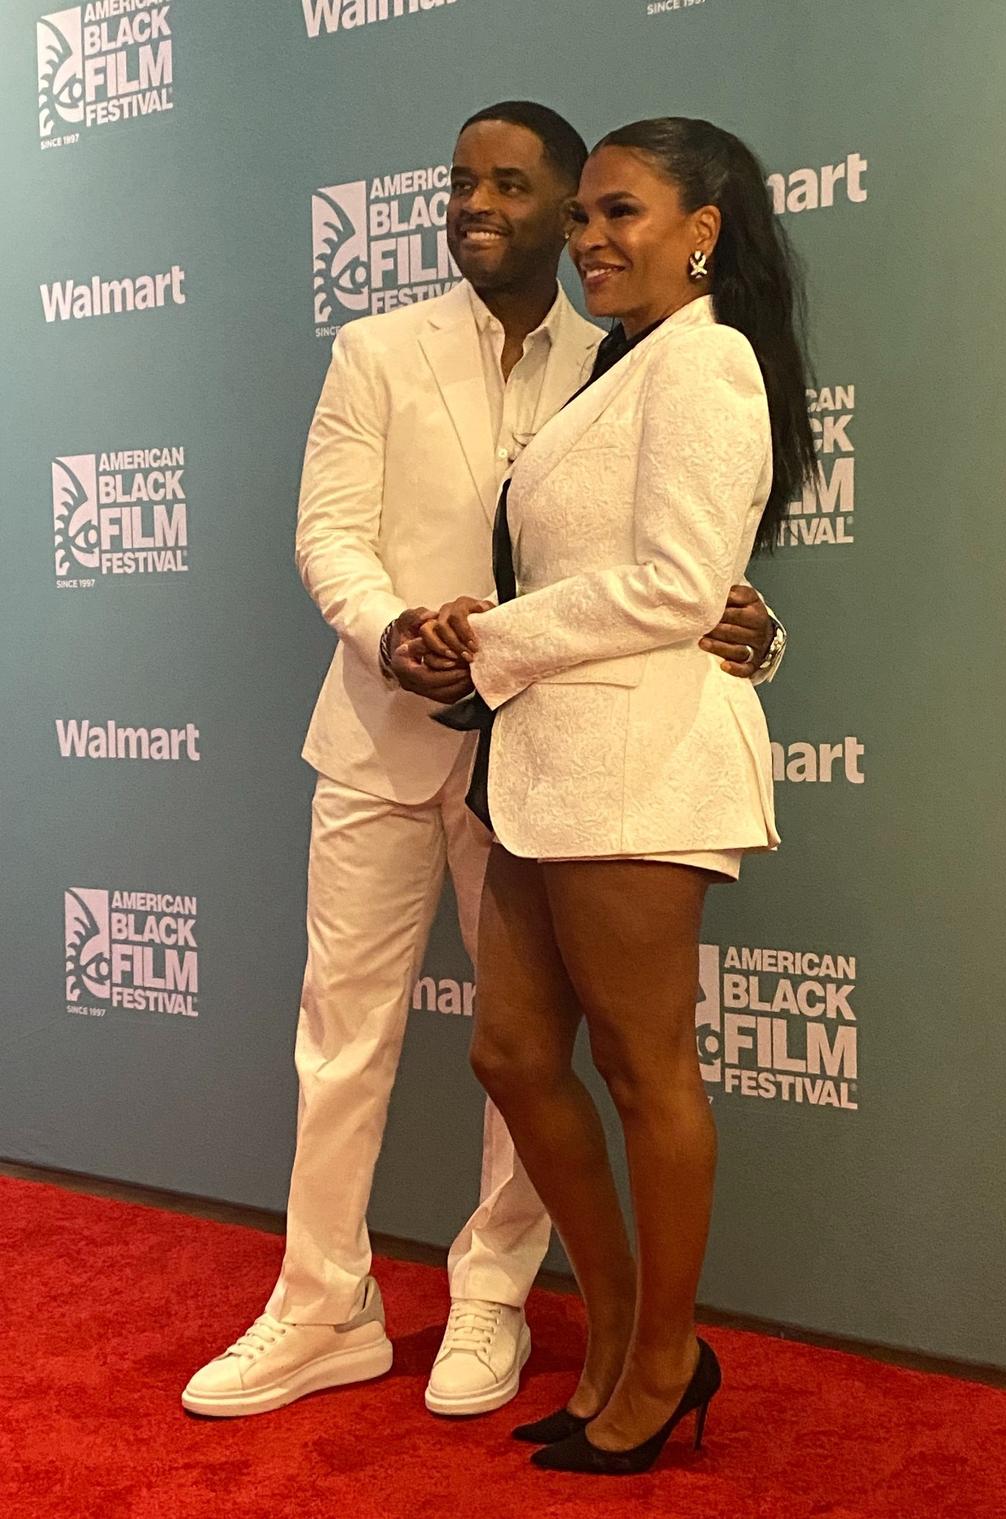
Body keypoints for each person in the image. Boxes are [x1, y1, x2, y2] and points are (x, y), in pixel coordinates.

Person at [180, 103, 784, 1422]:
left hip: (557, 751)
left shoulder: (628, 351)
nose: (480, 206)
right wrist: (396, 630)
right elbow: (330, 532)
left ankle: (496, 1303)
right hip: (389, 727)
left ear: (582, 205)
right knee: (364, 1038)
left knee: (541, 1051)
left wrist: (750, 621)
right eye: (463, 183)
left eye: (526, 189)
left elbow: (679, 554)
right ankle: (320, 1306)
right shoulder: (379, 348)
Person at [419, 117, 816, 1473]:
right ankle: (617, 1332)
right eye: (581, 214)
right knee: (514, 1054)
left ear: (704, 229)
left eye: (621, 212)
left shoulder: (709, 365)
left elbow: (680, 587)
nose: (589, 236)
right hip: (549, 769)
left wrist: (496, 638)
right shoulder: (625, 369)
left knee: (649, 1076)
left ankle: (660, 1358)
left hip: (641, 768)